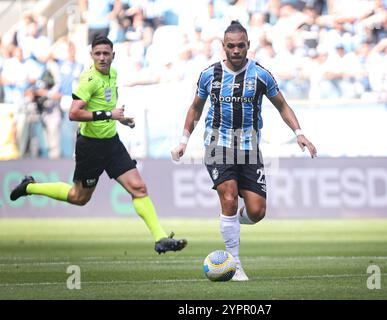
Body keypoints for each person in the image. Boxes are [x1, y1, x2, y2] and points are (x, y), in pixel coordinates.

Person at [10, 36, 187, 254]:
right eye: (98, 54)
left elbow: (107, 105)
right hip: (90, 147)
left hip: (111, 143)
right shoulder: (88, 79)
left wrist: (120, 119)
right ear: (91, 55)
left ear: (113, 55)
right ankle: (29, 186)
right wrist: (108, 114)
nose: (102, 58)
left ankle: (160, 238)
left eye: (106, 53)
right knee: (79, 198)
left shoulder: (113, 74)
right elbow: (74, 113)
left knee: (139, 188)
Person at [171, 21, 317, 281]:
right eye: (231, 46)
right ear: (223, 47)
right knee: (228, 197)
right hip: (217, 145)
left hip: (249, 149)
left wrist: (299, 133)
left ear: (248, 46)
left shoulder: (261, 75)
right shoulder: (209, 75)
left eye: (241, 45)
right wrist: (183, 140)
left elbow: (282, 105)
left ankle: (230, 223)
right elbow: (195, 108)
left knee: (257, 212)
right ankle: (234, 263)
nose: (236, 50)